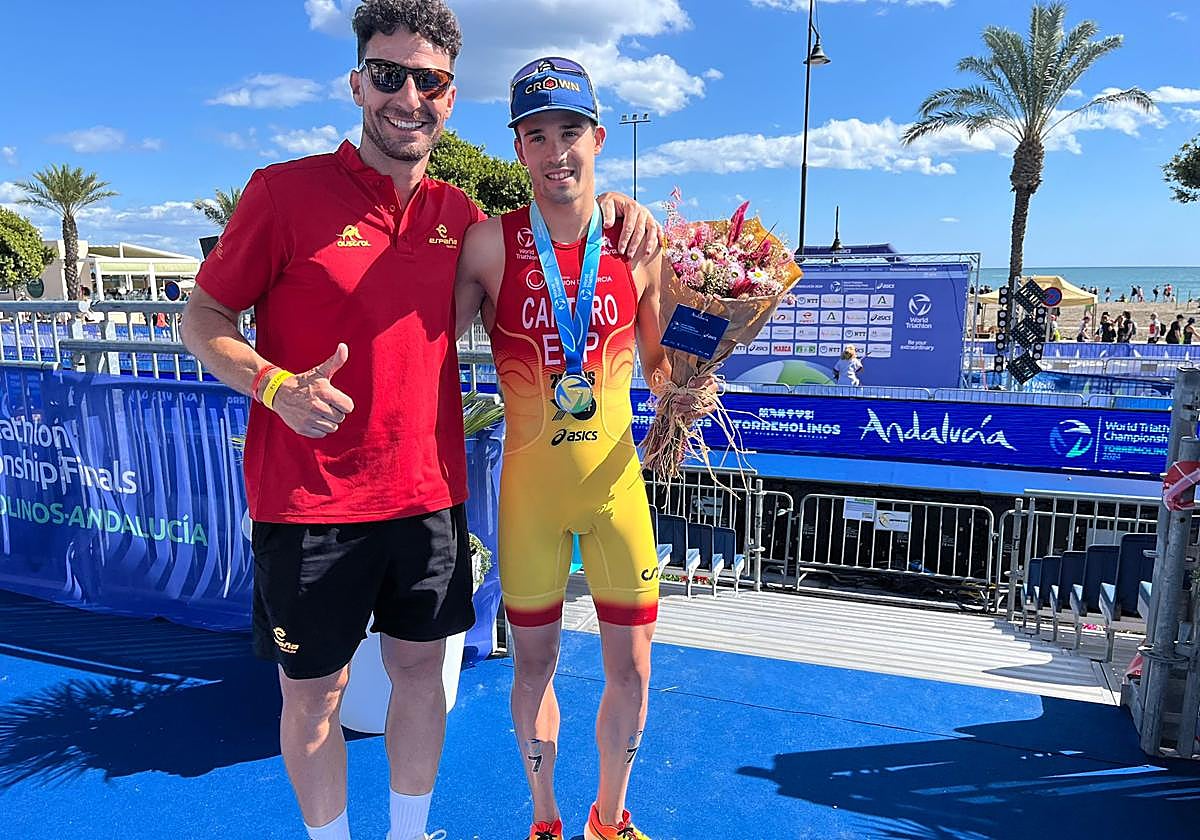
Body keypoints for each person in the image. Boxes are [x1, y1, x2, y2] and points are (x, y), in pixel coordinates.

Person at [180, 6, 659, 840]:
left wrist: (613, 207)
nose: (408, 96)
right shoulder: (282, 193)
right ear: (357, 83)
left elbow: (554, 239)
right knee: (315, 697)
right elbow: (203, 317)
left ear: (450, 96)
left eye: (429, 80)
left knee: (418, 679)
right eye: (388, 74)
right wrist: (273, 385)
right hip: (309, 499)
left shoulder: (459, 216)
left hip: (427, 497)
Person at [454, 56, 709, 840]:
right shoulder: (487, 245)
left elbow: (661, 366)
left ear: (598, 138)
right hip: (530, 496)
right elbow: (424, 338)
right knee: (534, 666)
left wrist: (692, 376)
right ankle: (545, 820)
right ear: (518, 149)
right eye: (537, 135)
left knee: (634, 667)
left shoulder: (638, 244)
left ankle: (610, 816)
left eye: (570, 131)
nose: (555, 150)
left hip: (614, 488)